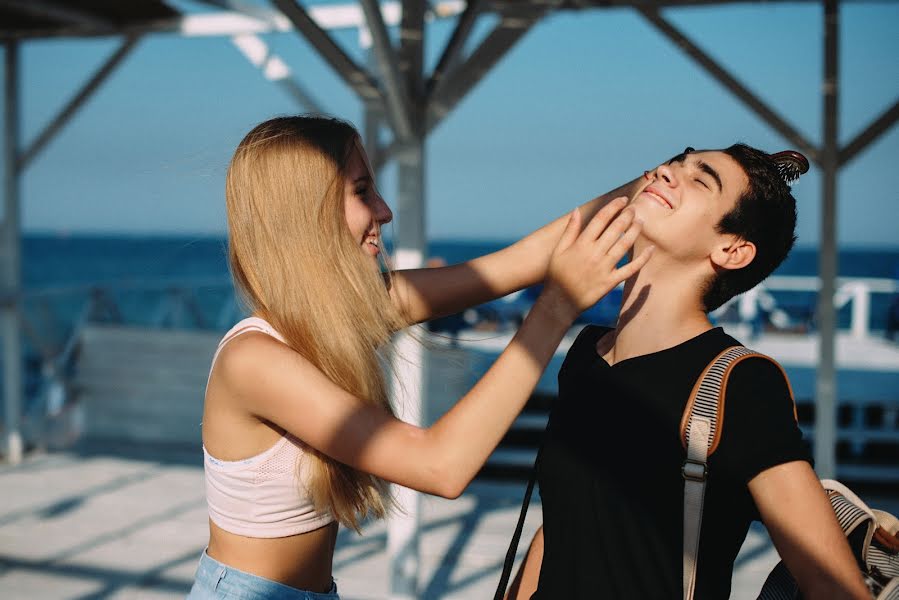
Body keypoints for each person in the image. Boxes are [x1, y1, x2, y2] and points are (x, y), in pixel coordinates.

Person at [186, 115, 653, 599]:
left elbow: (518, 261)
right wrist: (554, 308)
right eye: (363, 191)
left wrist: (654, 184)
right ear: (308, 211)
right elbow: (440, 467)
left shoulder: (339, 317)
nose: (384, 211)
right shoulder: (255, 360)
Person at [507, 145, 870, 599]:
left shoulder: (739, 383)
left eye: (701, 180)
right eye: (672, 164)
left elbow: (833, 585)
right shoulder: (587, 354)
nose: (665, 171)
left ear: (732, 250)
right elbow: (561, 522)